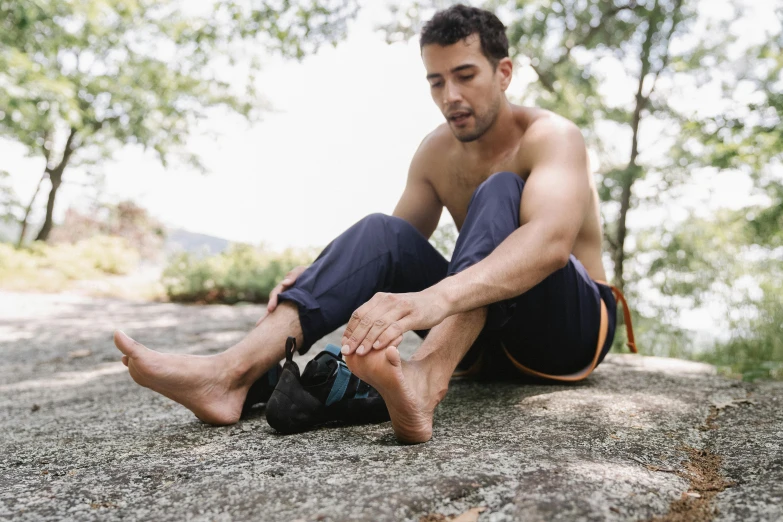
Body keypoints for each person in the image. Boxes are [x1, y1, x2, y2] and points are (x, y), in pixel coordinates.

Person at [114, 4, 635, 444]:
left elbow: (549, 244)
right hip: (487, 341)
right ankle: (230, 375)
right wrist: (320, 272)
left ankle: (426, 379)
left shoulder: (551, 136)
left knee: (499, 189)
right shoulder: (436, 152)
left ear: (503, 73)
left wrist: (434, 300)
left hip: (569, 332)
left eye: (465, 75)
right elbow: (386, 250)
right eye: (436, 81)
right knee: (376, 230)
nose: (450, 95)